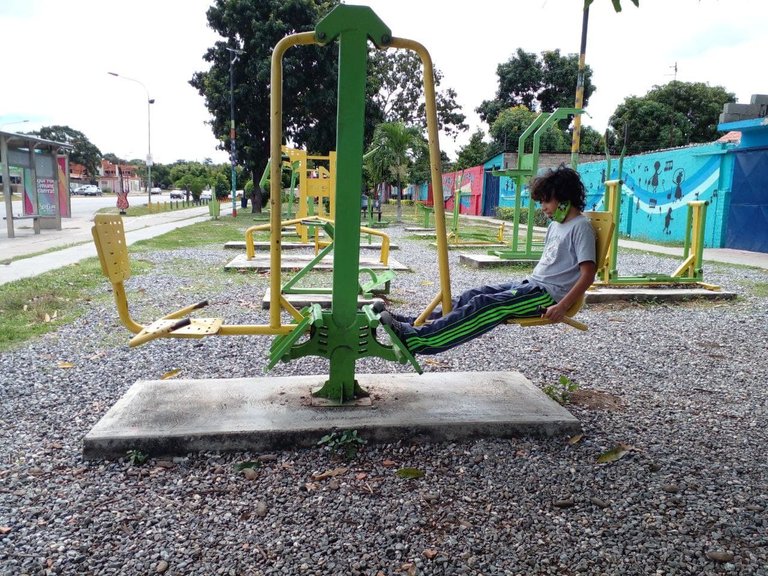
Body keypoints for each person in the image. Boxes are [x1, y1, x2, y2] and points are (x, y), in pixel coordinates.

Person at [377, 165, 597, 355]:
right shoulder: (556, 226)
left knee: (486, 306)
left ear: (564, 198)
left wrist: (562, 306)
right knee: (473, 295)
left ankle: (419, 339)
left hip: (548, 297)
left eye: (546, 202)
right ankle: (416, 322)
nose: (543, 208)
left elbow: (588, 274)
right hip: (531, 285)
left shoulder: (581, 227)